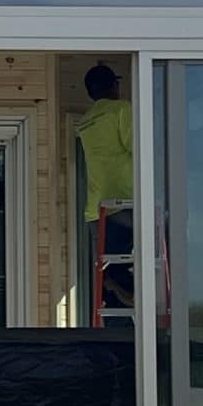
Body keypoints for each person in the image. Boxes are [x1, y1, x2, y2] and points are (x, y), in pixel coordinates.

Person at [76, 63, 134, 312]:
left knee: (117, 271)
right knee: (167, 233)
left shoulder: (86, 121)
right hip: (124, 202)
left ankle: (117, 293)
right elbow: (138, 148)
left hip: (96, 209)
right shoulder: (121, 109)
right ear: (115, 85)